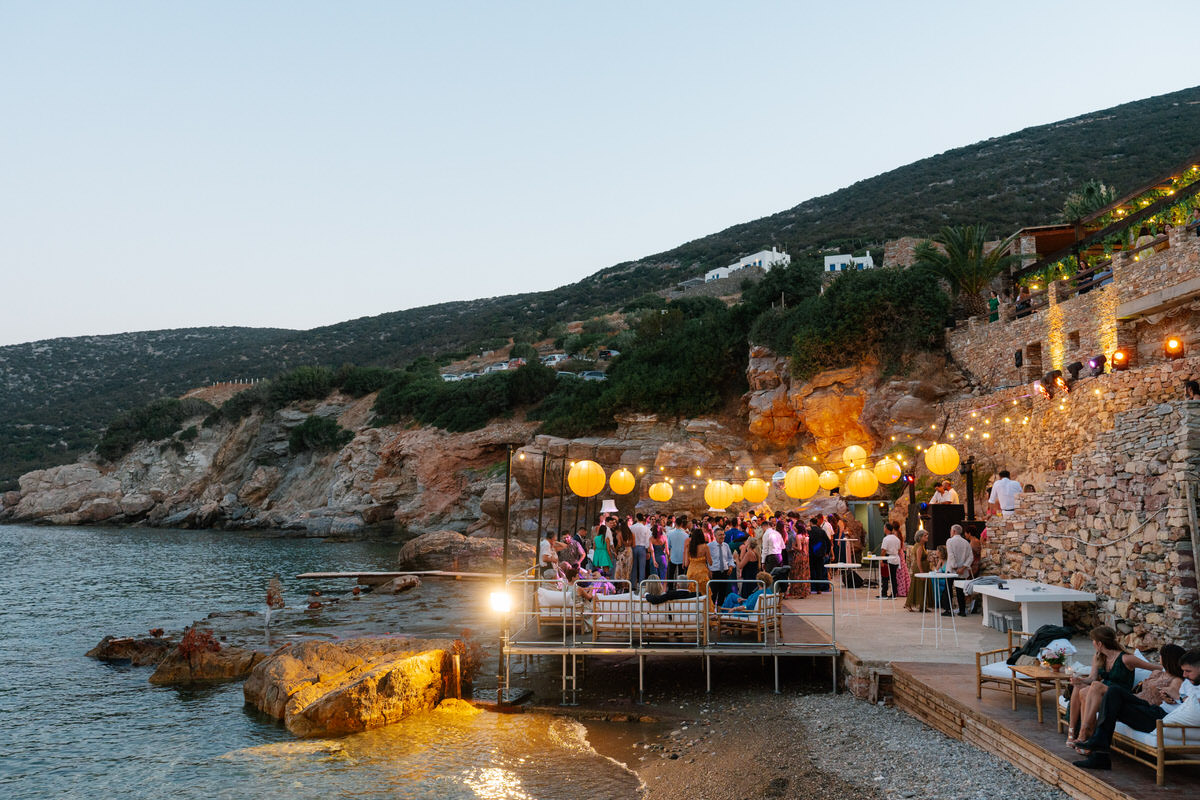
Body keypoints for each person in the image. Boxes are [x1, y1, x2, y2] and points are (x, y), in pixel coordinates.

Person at [1073, 649, 1200, 771]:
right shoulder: (1189, 682)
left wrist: (1178, 696)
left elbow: (1192, 704)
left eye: (1188, 671)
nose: (1184, 675)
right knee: (1114, 692)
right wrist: (1170, 697)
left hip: (1160, 719)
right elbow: (1182, 700)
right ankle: (1099, 750)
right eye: (1183, 671)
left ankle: (1099, 753)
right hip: (1155, 710)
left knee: (1112, 698)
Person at [1067, 625, 1162, 747]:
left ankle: (1085, 733)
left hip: (1118, 695)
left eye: (1093, 641)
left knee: (1093, 687)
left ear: (1100, 643)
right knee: (1080, 688)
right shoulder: (1098, 657)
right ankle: (1077, 732)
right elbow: (1092, 678)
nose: (1093, 644)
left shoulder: (1126, 659)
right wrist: (1079, 680)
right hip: (1099, 692)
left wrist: (1168, 673)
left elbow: (1154, 667)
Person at [942, 524, 973, 616]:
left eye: (951, 531)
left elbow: (951, 556)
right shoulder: (966, 542)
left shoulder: (950, 541)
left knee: (948, 590)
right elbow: (970, 557)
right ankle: (962, 610)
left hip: (952, 570)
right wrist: (963, 567)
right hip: (962, 571)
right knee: (960, 591)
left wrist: (955, 567)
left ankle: (948, 610)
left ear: (954, 531)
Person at [707, 527, 736, 606]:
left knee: (722, 594)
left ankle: (719, 613)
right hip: (714, 573)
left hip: (725, 573)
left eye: (723, 534)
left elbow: (730, 558)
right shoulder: (709, 546)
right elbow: (706, 560)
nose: (722, 536)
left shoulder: (726, 546)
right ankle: (712, 613)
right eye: (720, 535)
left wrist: (730, 566)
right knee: (713, 594)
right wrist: (708, 570)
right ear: (715, 536)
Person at [905, 530, 931, 612]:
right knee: (918, 586)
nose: (927, 537)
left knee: (922, 586)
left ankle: (922, 605)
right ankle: (909, 604)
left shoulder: (920, 545)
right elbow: (918, 561)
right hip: (920, 568)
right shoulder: (919, 547)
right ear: (920, 537)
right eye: (925, 535)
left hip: (922, 568)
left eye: (927, 535)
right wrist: (921, 572)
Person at [684, 527, 712, 600]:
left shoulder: (689, 547)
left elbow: (686, 564)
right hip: (702, 574)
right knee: (704, 595)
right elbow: (710, 562)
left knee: (692, 595)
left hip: (691, 573)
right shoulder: (705, 547)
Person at [787, 522, 810, 599]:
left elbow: (800, 548)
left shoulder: (798, 536)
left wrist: (793, 546)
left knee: (798, 573)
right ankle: (804, 591)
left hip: (799, 556)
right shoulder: (806, 536)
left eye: (795, 527)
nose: (794, 528)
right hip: (806, 556)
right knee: (804, 574)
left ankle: (798, 591)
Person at [879, 522, 902, 599]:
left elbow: (883, 550)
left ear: (886, 529)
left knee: (885, 576)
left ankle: (884, 593)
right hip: (895, 558)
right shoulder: (897, 539)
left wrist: (881, 560)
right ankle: (894, 593)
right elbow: (899, 549)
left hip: (887, 558)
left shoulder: (886, 539)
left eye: (884, 527)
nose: (883, 529)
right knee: (893, 577)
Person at [630, 513, 652, 592]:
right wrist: (647, 551)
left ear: (636, 518)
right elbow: (647, 540)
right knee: (642, 567)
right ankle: (642, 585)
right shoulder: (645, 528)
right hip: (642, 548)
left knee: (634, 567)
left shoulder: (632, 527)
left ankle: (633, 585)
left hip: (633, 547)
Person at [666, 516, 690, 583]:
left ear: (675, 523)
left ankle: (670, 589)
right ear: (682, 524)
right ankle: (681, 588)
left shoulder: (670, 533)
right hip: (682, 557)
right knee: (681, 575)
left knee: (671, 574)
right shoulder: (686, 535)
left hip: (673, 555)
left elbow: (669, 545)